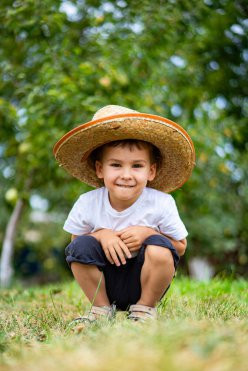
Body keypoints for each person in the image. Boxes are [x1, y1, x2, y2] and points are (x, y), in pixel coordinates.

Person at [53, 105, 195, 322]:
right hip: (104, 281)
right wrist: (101, 234)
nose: (126, 175)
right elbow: (75, 244)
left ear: (151, 171)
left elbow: (181, 247)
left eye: (137, 166)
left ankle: (144, 309)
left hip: (144, 282)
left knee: (159, 246)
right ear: (100, 169)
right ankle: (101, 310)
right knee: (80, 247)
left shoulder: (161, 203)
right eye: (116, 165)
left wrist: (147, 233)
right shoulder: (88, 203)